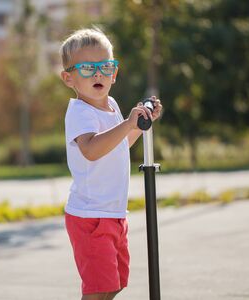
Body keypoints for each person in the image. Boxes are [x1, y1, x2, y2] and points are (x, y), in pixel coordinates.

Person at [59, 27, 162, 300]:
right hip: (90, 216)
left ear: (114, 74)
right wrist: (127, 123)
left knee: (115, 283)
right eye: (87, 68)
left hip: (114, 213)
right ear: (69, 78)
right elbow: (92, 150)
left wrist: (139, 126)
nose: (98, 74)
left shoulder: (112, 105)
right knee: (98, 289)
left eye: (105, 67)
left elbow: (118, 146)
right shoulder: (80, 112)